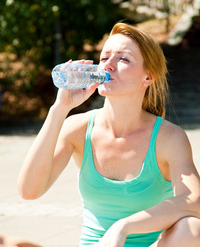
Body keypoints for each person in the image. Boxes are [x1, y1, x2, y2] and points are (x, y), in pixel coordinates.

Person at [17, 22, 200, 247]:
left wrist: (123, 227)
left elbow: (193, 200)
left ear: (148, 77)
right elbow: (29, 191)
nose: (108, 66)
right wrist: (59, 109)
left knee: (193, 228)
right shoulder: (78, 128)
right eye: (104, 58)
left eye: (123, 59)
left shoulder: (168, 138)